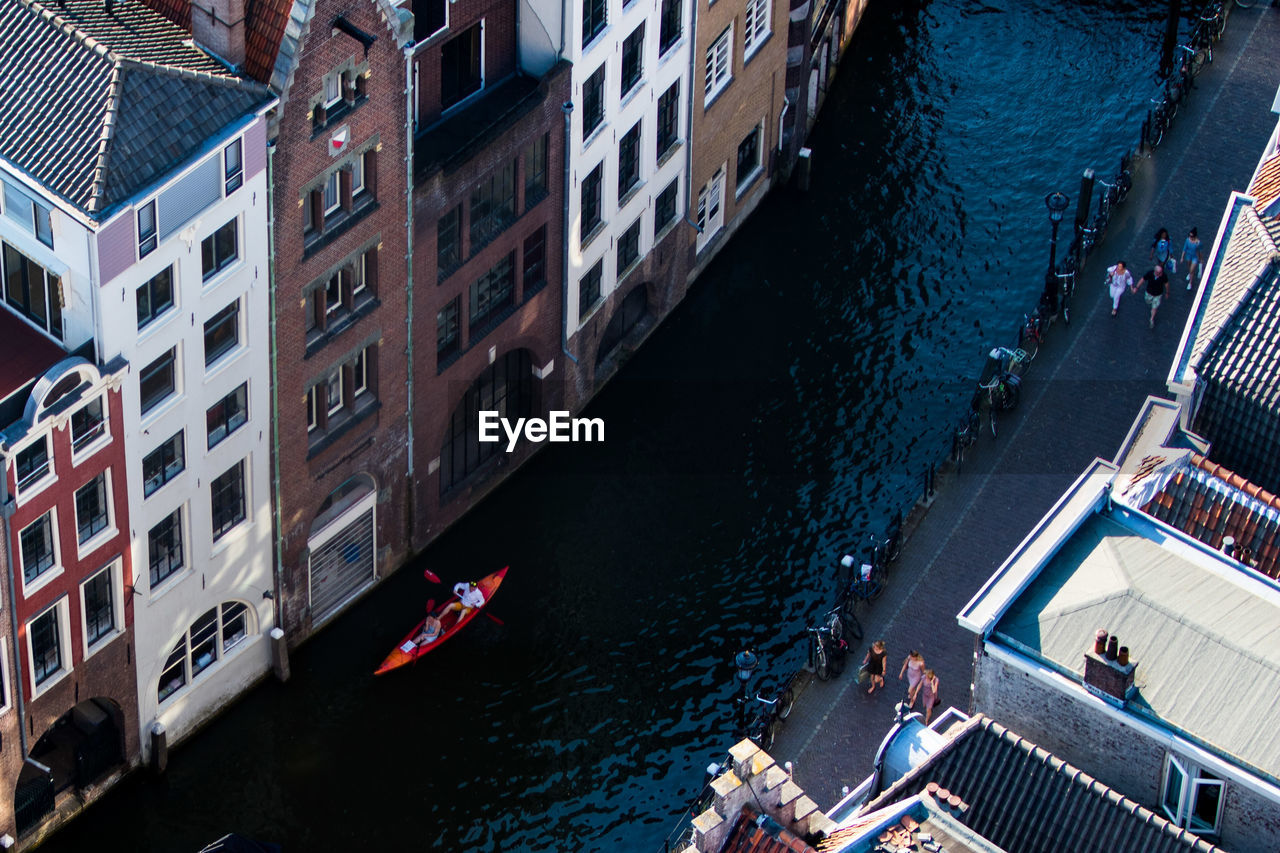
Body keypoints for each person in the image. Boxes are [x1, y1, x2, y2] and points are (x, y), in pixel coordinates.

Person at [1131, 263, 1169, 329]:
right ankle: (1152, 312)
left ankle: (1152, 318)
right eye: (1159, 272)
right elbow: (1142, 279)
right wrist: (1136, 287)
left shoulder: (1164, 276)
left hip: (1158, 294)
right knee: (1148, 301)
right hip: (1149, 293)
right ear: (1156, 272)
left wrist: (1167, 292)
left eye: (1161, 272)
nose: (1161, 274)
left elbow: (1167, 284)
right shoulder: (1150, 273)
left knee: (1154, 307)